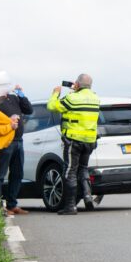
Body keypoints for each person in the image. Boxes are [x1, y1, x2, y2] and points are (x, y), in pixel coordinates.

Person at [47, 74, 100, 215]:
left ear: (77, 84)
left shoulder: (72, 98)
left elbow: (52, 106)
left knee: (70, 171)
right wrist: (77, 90)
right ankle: (87, 196)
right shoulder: (95, 98)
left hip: (74, 141)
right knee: (83, 168)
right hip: (90, 140)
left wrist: (55, 94)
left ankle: (70, 206)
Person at [0, 71, 34, 215]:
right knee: (0, 175)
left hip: (18, 141)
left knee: (17, 174)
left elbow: (29, 110)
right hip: (5, 142)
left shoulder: (13, 98)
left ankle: (12, 204)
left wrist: (22, 95)